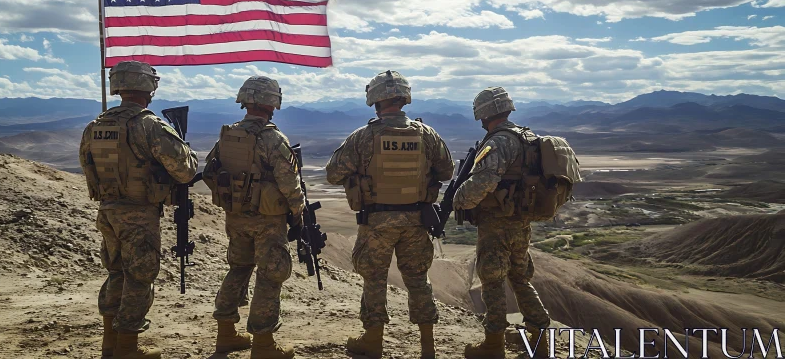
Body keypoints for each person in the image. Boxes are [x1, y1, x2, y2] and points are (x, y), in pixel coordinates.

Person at [325, 70, 455, 359]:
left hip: (377, 222)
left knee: (374, 279)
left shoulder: (363, 137)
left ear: (375, 101)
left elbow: (333, 174)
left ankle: (372, 342)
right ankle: (428, 347)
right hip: (416, 221)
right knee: (418, 279)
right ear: (404, 97)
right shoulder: (427, 134)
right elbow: (447, 171)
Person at [79, 61, 198, 359]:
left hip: (107, 212)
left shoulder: (95, 126)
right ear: (149, 87)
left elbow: (87, 167)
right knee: (139, 276)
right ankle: (128, 349)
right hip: (138, 214)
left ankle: (110, 343)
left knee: (116, 272)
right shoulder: (149, 126)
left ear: (118, 86)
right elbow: (184, 171)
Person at [202, 76, 305, 359]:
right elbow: (289, 183)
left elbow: (210, 173)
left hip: (236, 218)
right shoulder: (273, 138)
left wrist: (232, 199)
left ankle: (226, 334)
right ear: (273, 103)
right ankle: (263, 345)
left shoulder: (229, 135)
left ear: (245, 101)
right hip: (268, 221)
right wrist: (298, 210)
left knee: (238, 268)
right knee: (270, 276)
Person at [453, 87, 551, 359]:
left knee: (492, 280)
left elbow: (484, 181)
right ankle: (541, 340)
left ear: (483, 114)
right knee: (520, 278)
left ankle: (493, 345)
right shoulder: (528, 138)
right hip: (521, 222)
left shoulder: (498, 141)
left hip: (497, 224)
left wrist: (458, 199)